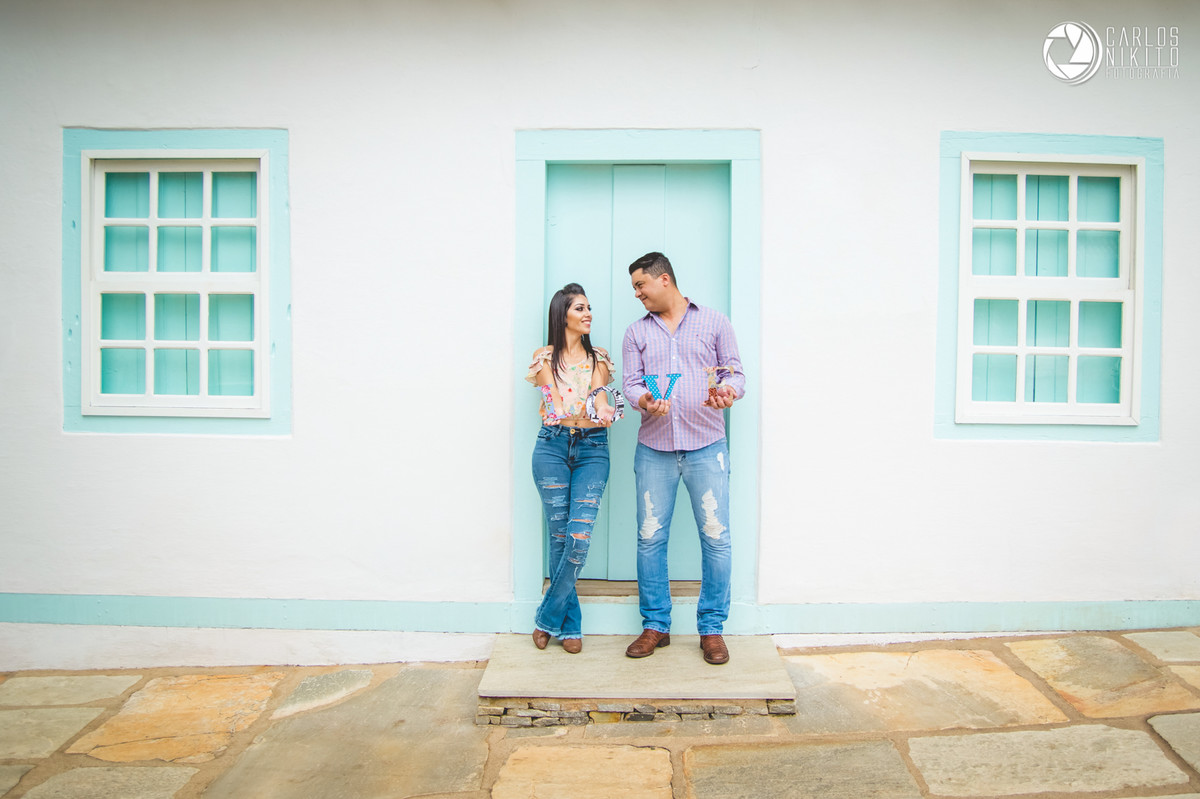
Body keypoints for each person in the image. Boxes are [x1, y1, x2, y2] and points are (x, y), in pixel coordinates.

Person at [621, 252, 745, 665]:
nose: (637, 294)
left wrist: (730, 391)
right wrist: (644, 401)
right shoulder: (635, 333)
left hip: (707, 447)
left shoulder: (715, 322)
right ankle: (656, 625)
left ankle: (711, 629)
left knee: (716, 538)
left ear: (664, 280)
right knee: (650, 538)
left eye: (640, 285)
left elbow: (735, 372)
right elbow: (631, 383)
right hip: (653, 450)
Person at [526, 282, 617, 654]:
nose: (588, 314)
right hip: (552, 447)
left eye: (589, 308)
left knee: (578, 539)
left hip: (592, 449)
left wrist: (605, 411)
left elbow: (596, 403)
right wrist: (576, 409)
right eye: (580, 308)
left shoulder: (600, 360)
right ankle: (572, 626)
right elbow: (556, 403)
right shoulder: (544, 359)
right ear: (562, 313)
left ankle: (547, 618)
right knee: (560, 537)